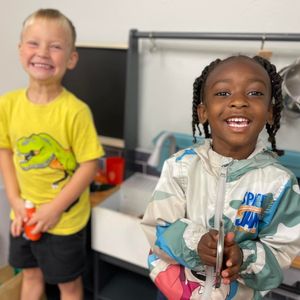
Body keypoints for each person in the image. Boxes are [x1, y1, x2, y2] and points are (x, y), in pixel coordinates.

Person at [141, 55, 300, 299]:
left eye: (255, 93)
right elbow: (157, 229)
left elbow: (282, 254)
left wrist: (243, 258)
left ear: (269, 112)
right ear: (203, 112)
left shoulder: (280, 184)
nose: (238, 101)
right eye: (223, 93)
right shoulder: (179, 167)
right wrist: (196, 243)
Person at [0, 9, 104, 300]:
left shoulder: (76, 111)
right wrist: (14, 201)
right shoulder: (7, 104)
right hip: (23, 214)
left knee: (68, 285)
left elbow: (89, 165)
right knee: (30, 276)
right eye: (33, 43)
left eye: (55, 46)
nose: (43, 53)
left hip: (64, 221)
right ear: (21, 50)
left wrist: (55, 208)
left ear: (71, 59)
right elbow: (5, 150)